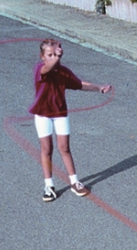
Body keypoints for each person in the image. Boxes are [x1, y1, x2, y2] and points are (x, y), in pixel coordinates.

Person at [29, 38, 112, 202]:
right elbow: (48, 68)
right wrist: (56, 58)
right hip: (42, 114)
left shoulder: (63, 71)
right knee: (46, 149)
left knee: (64, 147)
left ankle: (74, 182)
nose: (53, 57)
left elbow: (79, 84)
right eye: (49, 55)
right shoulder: (41, 69)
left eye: (55, 54)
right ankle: (49, 185)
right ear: (42, 57)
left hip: (60, 113)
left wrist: (98, 88)